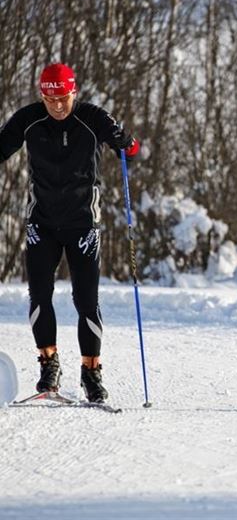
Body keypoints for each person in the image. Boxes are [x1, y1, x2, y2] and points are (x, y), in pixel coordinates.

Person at [0, 63, 139, 403]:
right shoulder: (29, 119)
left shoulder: (91, 118)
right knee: (39, 296)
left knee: (86, 301)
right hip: (42, 223)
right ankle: (49, 365)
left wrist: (126, 143)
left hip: (82, 224)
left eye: (63, 98)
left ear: (73, 92)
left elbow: (131, 152)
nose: (58, 105)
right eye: (50, 99)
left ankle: (91, 373)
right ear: (41, 96)